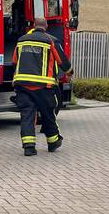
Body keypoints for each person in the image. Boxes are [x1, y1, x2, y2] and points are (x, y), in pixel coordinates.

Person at [12, 17, 72, 156]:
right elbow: (62, 61)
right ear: (46, 27)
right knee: (48, 113)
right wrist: (70, 72)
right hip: (43, 86)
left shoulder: (22, 40)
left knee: (27, 114)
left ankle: (29, 147)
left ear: (33, 25)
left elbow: (15, 60)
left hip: (22, 84)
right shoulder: (50, 40)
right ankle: (53, 142)